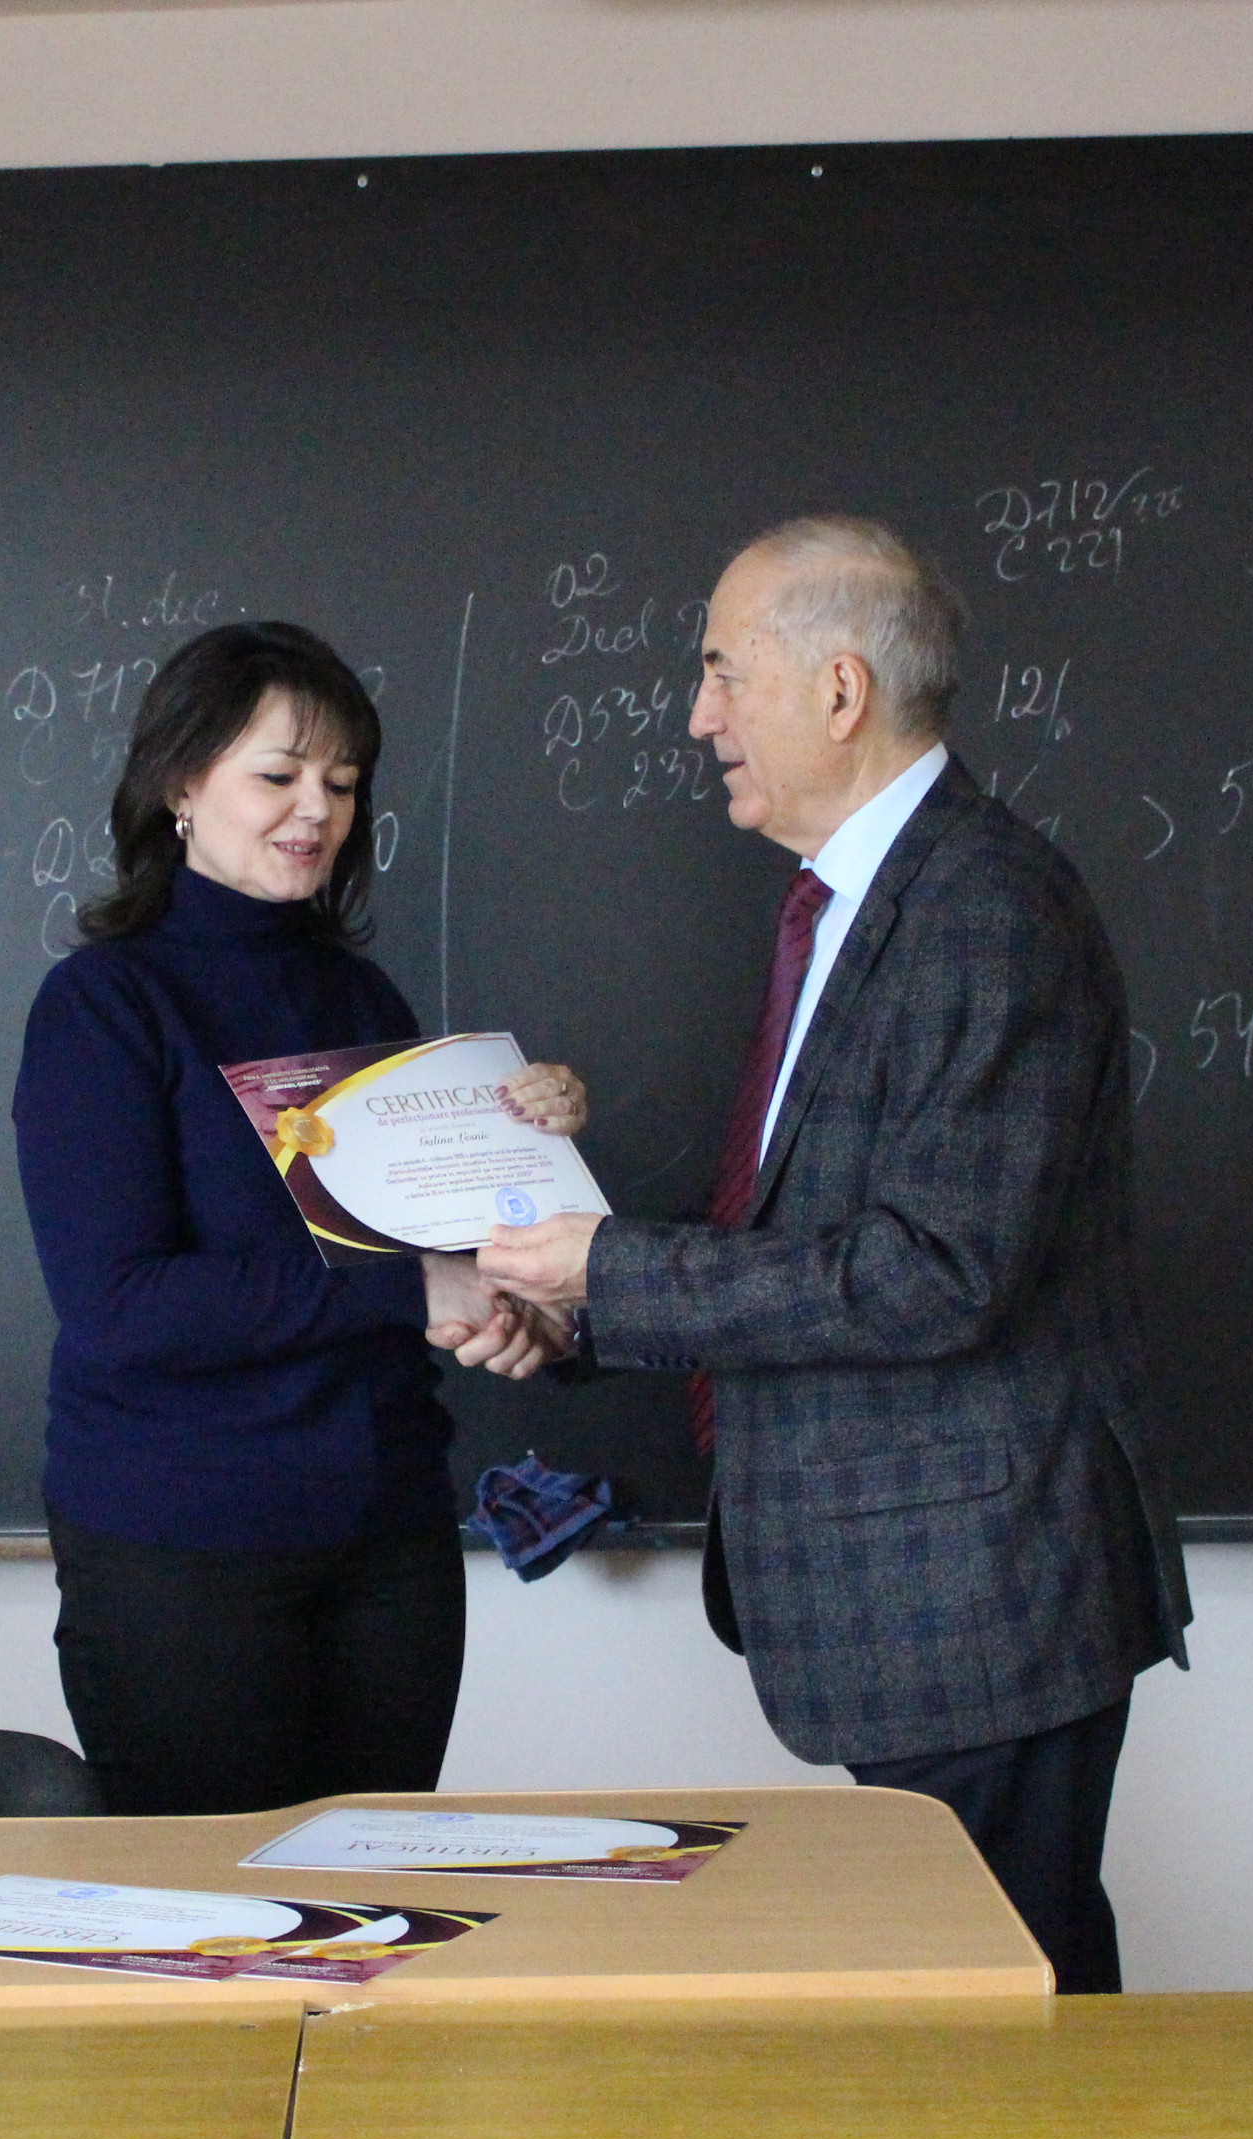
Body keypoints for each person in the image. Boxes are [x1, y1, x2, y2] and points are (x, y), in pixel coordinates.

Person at [480, 516, 1191, 1993]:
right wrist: (578, 1313)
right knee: (962, 2024)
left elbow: (937, 1272)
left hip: (978, 1599)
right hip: (910, 1600)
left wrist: (611, 1272)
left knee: (1004, 2025)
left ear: (842, 691)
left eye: (722, 673)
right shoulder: (860, 902)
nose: (699, 717)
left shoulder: (986, 910)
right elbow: (801, 1236)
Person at [14, 620, 582, 1817]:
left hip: (389, 1535)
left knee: (372, 1898)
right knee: (213, 1907)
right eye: (278, 774)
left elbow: (411, 1249)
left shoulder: (358, 994)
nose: (316, 809)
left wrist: (518, 1250)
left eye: (343, 781)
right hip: (184, 1546)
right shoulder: (104, 1005)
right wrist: (410, 1290)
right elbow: (120, 1306)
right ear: (181, 785)